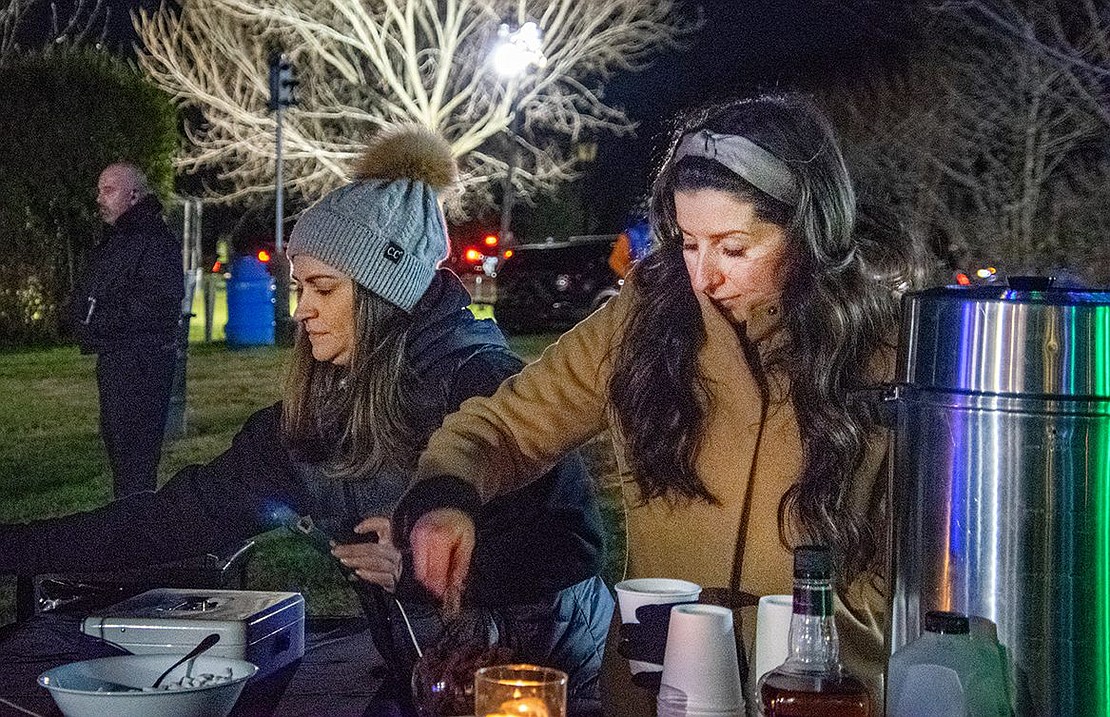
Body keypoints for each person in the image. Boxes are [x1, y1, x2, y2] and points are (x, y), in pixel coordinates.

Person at [3, 125, 611, 715]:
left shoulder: (479, 382)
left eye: (322, 288)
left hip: (546, 678)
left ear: (382, 294)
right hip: (424, 672)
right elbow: (173, 518)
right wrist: (15, 548)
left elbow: (576, 541)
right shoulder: (313, 416)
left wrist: (439, 570)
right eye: (299, 288)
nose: (303, 312)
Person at [394, 94, 929, 715]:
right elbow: (503, 427)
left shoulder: (893, 350)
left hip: (824, 694)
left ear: (812, 231)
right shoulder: (642, 323)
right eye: (688, 243)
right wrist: (446, 497)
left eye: (733, 248)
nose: (705, 277)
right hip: (656, 692)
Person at [69, 162, 183, 498]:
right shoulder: (123, 239)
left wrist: (99, 317)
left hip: (141, 362)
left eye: (109, 190)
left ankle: (136, 530)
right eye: (99, 189)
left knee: (135, 459)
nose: (100, 198)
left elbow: (157, 302)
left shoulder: (151, 241)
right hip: (119, 356)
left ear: (133, 195)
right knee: (122, 454)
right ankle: (129, 523)